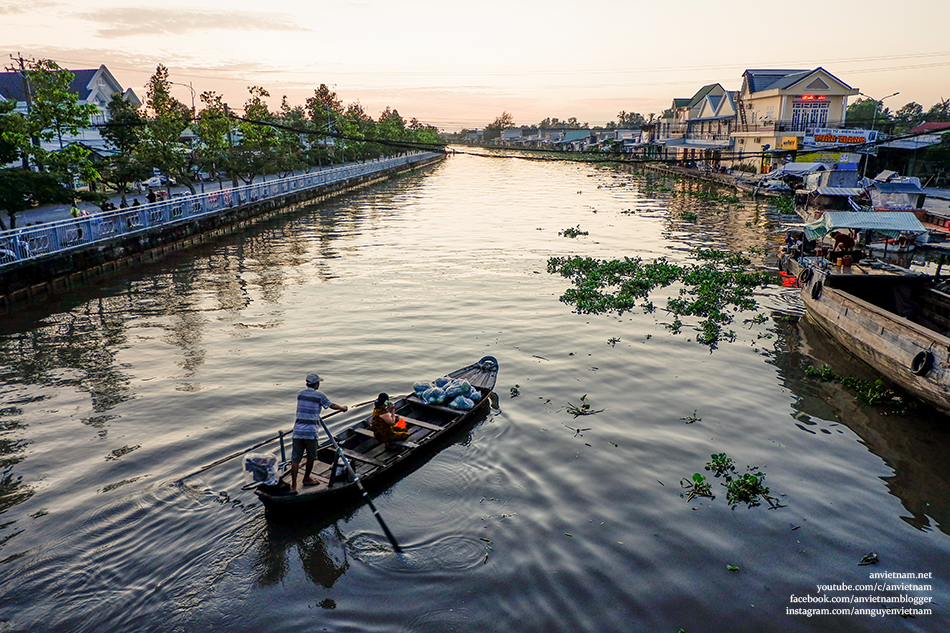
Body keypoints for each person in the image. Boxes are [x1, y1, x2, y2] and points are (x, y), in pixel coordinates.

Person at [291, 373, 347, 491]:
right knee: (311, 457)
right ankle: (306, 479)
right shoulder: (319, 396)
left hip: (297, 431)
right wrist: (343, 408)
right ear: (316, 384)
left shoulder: (300, 394)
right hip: (310, 432)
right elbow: (332, 405)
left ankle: (294, 485)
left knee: (295, 459)